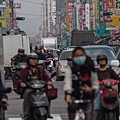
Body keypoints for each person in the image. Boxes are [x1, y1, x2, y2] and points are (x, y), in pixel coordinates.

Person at [64, 47, 99, 120]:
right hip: (74, 94)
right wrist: (68, 94)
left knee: (89, 116)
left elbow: (95, 82)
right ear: (73, 57)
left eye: (81, 55)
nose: (79, 57)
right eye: (77, 56)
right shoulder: (71, 66)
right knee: (71, 107)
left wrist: (91, 89)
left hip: (88, 96)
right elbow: (68, 80)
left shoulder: (90, 65)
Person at [17, 53, 53, 120]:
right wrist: (21, 83)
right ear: (29, 60)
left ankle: (48, 111)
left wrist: (49, 81)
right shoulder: (25, 70)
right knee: (27, 94)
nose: (34, 61)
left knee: (47, 95)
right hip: (30, 88)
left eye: (35, 59)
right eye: (32, 59)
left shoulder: (40, 69)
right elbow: (19, 78)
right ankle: (26, 113)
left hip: (41, 88)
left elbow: (47, 77)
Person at [93, 54, 119, 120]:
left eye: (103, 60)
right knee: (97, 102)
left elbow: (117, 78)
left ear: (106, 61)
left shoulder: (110, 71)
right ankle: (95, 115)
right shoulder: (96, 71)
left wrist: (117, 81)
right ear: (98, 62)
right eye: (101, 60)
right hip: (100, 89)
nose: (102, 62)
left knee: (117, 99)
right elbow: (92, 79)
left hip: (110, 90)